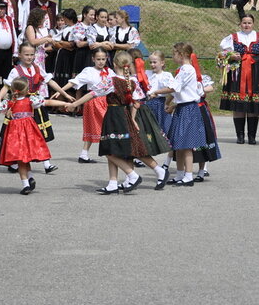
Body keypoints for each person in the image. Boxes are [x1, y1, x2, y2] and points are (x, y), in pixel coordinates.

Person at [66, 51, 169, 193]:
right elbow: (137, 101)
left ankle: (132, 175)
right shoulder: (132, 81)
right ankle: (113, 182)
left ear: (114, 64)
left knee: (109, 149)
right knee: (116, 148)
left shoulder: (112, 80)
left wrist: (74, 104)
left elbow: (92, 93)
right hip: (125, 115)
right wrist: (132, 117)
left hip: (114, 116)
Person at [0, 42, 74, 174]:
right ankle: (15, 162)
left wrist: (64, 94)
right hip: (20, 106)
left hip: (34, 104)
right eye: (26, 54)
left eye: (32, 54)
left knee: (38, 134)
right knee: (17, 136)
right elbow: (7, 86)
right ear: (20, 55)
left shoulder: (37, 68)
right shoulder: (16, 70)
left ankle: (46, 163)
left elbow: (50, 81)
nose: (29, 57)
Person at [0, 77, 68, 194]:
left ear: (12, 90)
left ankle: (26, 184)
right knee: (25, 157)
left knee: (21, 159)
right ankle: (29, 178)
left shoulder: (9, 102)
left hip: (15, 134)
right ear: (27, 90)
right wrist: (65, 103)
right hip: (29, 132)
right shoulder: (31, 100)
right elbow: (48, 102)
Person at [148, 43, 206, 187]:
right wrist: (171, 104)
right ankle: (180, 174)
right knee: (178, 144)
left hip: (189, 109)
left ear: (182, 55)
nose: (173, 56)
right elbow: (177, 92)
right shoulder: (182, 70)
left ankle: (188, 176)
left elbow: (174, 87)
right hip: (181, 108)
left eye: (174, 54)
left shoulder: (187, 69)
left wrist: (156, 92)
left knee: (186, 145)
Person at [219, 14, 259, 144]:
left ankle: (252, 136)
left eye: (249, 23)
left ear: (253, 24)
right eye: (244, 22)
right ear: (240, 24)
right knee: (239, 105)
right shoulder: (233, 37)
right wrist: (232, 55)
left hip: (256, 72)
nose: (246, 25)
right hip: (238, 72)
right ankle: (240, 135)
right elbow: (224, 52)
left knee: (253, 103)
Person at [59, 47, 114, 163]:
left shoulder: (109, 71)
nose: (101, 61)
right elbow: (74, 81)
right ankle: (112, 152)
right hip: (94, 101)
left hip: (107, 101)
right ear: (93, 59)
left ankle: (84, 154)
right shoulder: (89, 71)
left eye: (103, 59)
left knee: (105, 126)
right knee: (105, 126)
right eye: (98, 59)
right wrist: (61, 91)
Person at [145, 50, 174, 168]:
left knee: (168, 133)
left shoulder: (166, 75)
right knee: (146, 131)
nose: (152, 65)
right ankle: (144, 155)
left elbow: (172, 89)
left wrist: (166, 100)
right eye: (150, 62)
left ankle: (167, 162)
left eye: (155, 62)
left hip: (160, 105)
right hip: (147, 105)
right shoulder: (147, 73)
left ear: (162, 63)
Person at [51, 8, 77, 86]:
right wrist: (62, 44)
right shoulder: (65, 28)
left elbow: (71, 46)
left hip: (70, 57)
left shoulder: (76, 28)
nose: (63, 20)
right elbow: (55, 41)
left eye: (64, 18)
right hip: (62, 56)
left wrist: (61, 43)